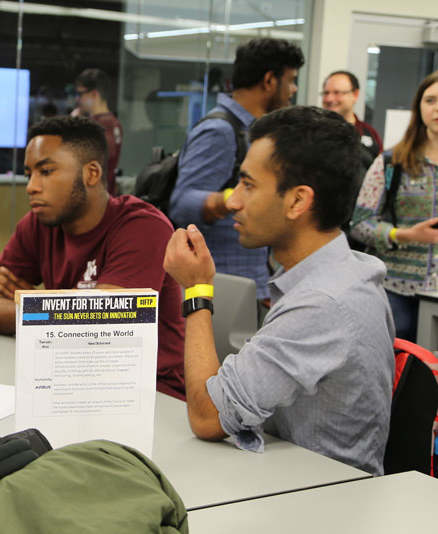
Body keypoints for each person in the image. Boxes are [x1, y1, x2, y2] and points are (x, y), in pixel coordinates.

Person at [164, 106, 394, 475]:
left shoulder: (322, 303)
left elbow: (207, 416)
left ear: (298, 201)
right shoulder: (345, 271)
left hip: (319, 501)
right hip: (289, 480)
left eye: (248, 185)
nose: (234, 201)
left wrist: (196, 289)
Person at [0, 116, 186, 399]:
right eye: (28, 174)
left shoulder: (144, 227)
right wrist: (59, 312)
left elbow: (101, 328)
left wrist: (35, 305)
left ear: (91, 174)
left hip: (149, 393)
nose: (31, 187)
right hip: (67, 379)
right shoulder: (38, 224)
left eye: (46, 171)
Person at [169, 38, 304, 312]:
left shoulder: (253, 130)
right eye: (290, 80)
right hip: (221, 287)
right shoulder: (220, 131)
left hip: (249, 279)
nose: (293, 89)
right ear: (268, 80)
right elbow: (182, 203)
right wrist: (240, 196)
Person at [350, 70, 438, 342]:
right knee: (395, 374)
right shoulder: (391, 163)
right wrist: (405, 235)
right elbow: (360, 224)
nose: (437, 108)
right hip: (396, 291)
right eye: (431, 100)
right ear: (419, 107)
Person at [75, 68, 123, 196]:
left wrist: (74, 128)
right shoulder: (113, 123)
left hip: (95, 200)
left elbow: (103, 157)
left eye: (80, 94)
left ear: (93, 94)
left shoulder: (102, 125)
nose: (78, 99)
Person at [321, 70, 383, 166]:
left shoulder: (370, 134)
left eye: (337, 93)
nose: (329, 99)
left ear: (355, 94)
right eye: (326, 93)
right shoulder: (314, 132)